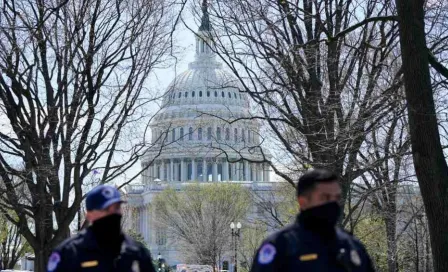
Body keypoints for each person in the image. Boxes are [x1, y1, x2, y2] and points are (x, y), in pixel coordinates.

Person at [250, 169, 375, 272]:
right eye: (325, 197)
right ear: (303, 202)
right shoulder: (280, 245)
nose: (333, 203)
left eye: (336, 198)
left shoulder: (351, 245)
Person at [47, 185, 156, 272]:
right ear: (89, 215)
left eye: (116, 208)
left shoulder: (137, 252)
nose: (113, 214)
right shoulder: (69, 252)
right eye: (106, 209)